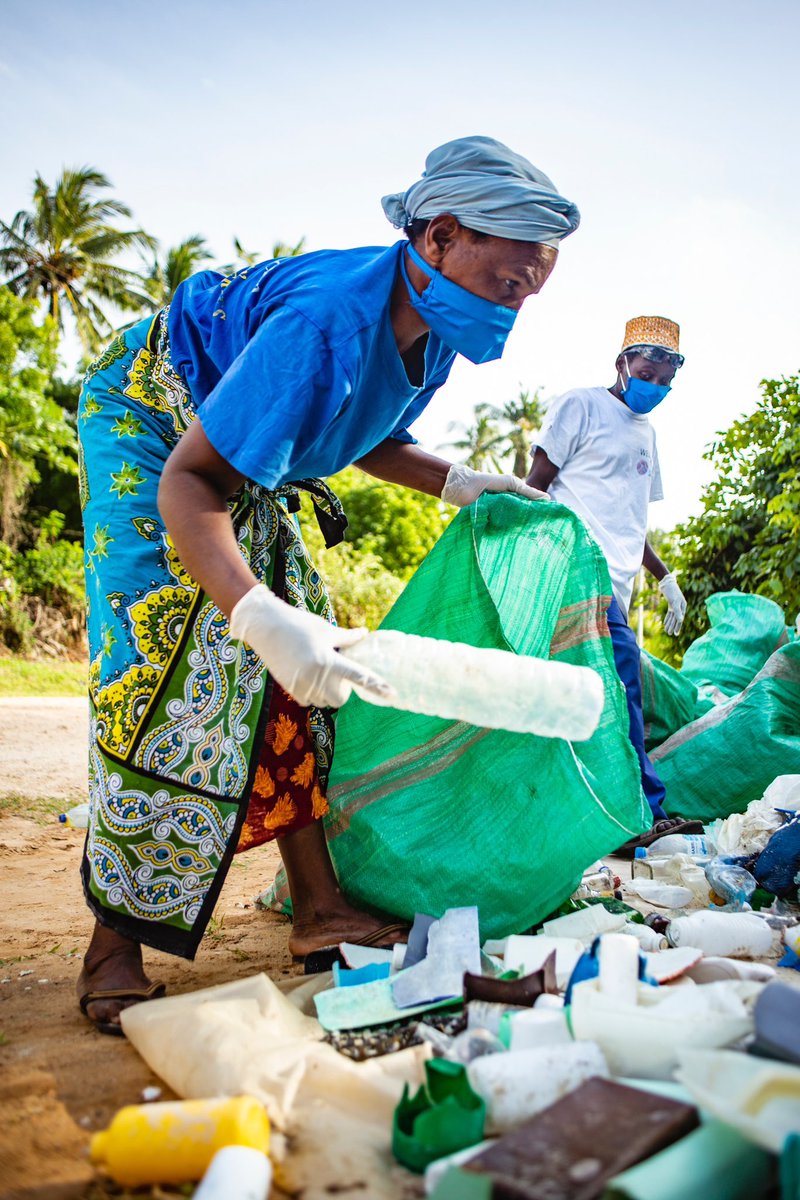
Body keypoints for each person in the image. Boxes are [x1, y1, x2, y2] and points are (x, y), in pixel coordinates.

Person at [76, 135, 581, 1032]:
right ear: (441, 238)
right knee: (168, 668)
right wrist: (258, 614)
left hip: (234, 451)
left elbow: (358, 428)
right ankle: (113, 946)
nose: (516, 306)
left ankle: (321, 906)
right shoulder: (325, 324)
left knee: (313, 672)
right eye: (510, 283)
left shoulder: (436, 330)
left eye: (532, 290)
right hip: (156, 424)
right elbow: (192, 481)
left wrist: (457, 481)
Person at [527, 315, 700, 847]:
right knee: (622, 689)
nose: (656, 386)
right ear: (622, 362)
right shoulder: (582, 405)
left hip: (618, 587)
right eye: (648, 371)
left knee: (590, 696)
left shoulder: (647, 433)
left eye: (666, 381)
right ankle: (642, 814)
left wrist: (665, 575)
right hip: (577, 574)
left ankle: (594, 814)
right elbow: (535, 486)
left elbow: (631, 520)